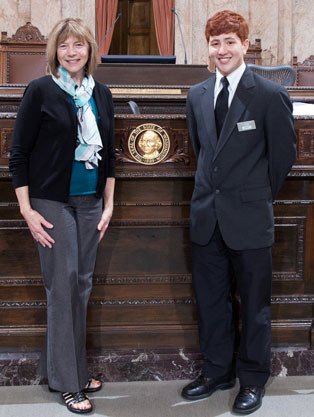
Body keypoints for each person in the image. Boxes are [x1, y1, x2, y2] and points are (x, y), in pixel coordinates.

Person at [181, 10, 296, 415]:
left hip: (249, 219)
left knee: (254, 306)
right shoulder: (196, 95)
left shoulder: (267, 95)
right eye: (215, 42)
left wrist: (254, 196)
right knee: (212, 302)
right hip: (206, 218)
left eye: (230, 41)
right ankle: (216, 372)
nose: (222, 49)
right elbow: (203, 152)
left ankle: (251, 380)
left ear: (245, 44)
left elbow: (282, 158)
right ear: (207, 48)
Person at [9, 18, 115, 414]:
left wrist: (109, 204)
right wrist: (27, 210)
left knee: (81, 286)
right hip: (51, 202)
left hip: (90, 202)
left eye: (79, 45)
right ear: (55, 51)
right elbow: (17, 155)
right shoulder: (40, 91)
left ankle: (70, 370)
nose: (72, 52)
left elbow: (111, 157)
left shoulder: (101, 94)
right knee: (63, 286)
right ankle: (69, 384)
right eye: (65, 46)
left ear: (90, 50)